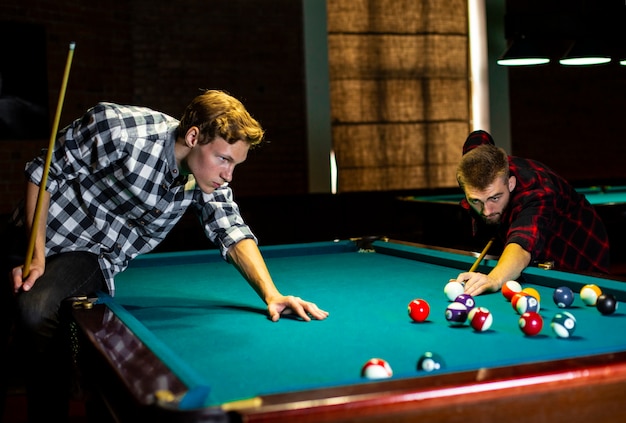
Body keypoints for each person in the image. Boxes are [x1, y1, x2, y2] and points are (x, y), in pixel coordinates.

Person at [3, 89, 329, 422]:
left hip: (88, 254)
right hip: (33, 234)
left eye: (235, 164)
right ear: (193, 136)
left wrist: (272, 294)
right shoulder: (118, 129)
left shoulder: (204, 180)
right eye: (224, 159)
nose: (228, 175)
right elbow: (43, 173)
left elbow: (231, 230)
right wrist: (38, 255)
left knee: (35, 311)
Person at [453, 130, 610, 297]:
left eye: (495, 198)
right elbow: (479, 136)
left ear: (511, 184)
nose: (486, 211)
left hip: (578, 248)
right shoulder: (476, 162)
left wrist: (495, 278)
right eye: (476, 201)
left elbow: (522, 245)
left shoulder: (537, 191)